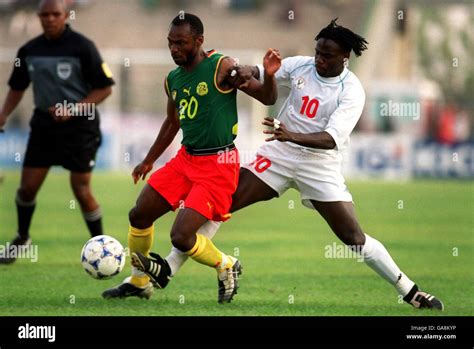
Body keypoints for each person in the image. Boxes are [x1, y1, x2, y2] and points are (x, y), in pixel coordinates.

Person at [145, 19, 444, 310]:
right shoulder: (302, 64)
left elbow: (330, 139)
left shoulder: (351, 91)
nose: (319, 60)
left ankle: (410, 291)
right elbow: (258, 72)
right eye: (317, 52)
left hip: (319, 165)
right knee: (220, 204)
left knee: (353, 237)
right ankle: (167, 270)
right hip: (279, 155)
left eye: (327, 56)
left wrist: (291, 134)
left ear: (345, 57)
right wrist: (236, 69)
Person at [102, 13, 281, 303]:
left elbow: (268, 99)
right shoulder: (172, 78)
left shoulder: (221, 67)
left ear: (199, 40)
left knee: (181, 237)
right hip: (186, 160)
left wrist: (270, 75)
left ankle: (226, 264)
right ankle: (139, 281)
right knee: (139, 214)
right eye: (170, 43)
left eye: (181, 43)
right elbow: (172, 122)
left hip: (218, 165)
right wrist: (148, 160)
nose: (174, 49)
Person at [0, 0, 114, 264]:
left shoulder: (83, 47)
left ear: (66, 16)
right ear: (39, 17)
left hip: (80, 127)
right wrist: (4, 113)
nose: (50, 19)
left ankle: (101, 246)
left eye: (55, 14)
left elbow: (104, 88)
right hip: (44, 127)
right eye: (45, 15)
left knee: (81, 189)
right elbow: (17, 87)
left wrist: (74, 109)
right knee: (26, 189)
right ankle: (22, 238)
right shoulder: (29, 50)